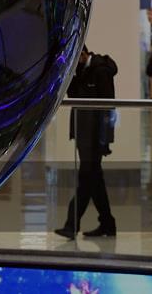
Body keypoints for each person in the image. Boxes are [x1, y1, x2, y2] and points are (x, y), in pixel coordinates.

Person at [55, 46, 117, 240]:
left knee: (86, 178)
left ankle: (71, 225)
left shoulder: (101, 71)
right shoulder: (81, 71)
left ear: (82, 54)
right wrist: (71, 73)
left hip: (95, 136)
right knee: (94, 179)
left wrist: (105, 139)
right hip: (83, 133)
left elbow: (108, 106)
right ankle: (107, 224)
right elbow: (73, 95)